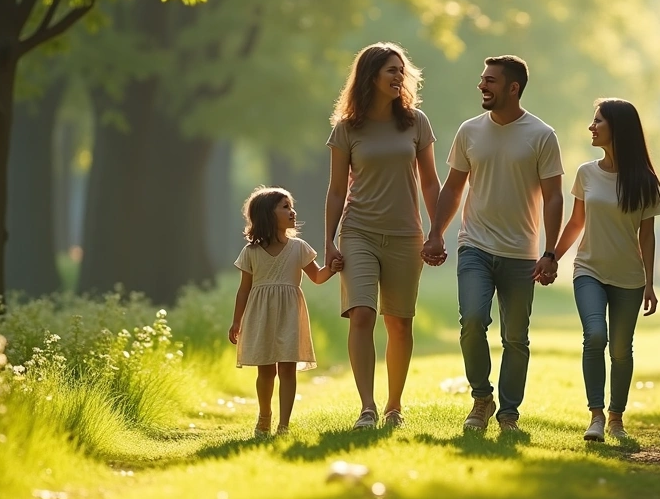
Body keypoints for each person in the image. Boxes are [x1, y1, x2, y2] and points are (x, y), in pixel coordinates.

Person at [422, 55, 564, 432]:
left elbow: (554, 197)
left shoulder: (541, 135)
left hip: (521, 252)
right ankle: (482, 398)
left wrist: (550, 252)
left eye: (491, 81)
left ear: (513, 88)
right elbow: (453, 187)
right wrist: (436, 232)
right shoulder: (469, 131)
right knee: (471, 321)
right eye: (482, 80)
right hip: (475, 245)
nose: (482, 86)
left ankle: (509, 413)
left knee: (515, 338)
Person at [324, 42, 442, 430]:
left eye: (401, 70)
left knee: (399, 322)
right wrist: (329, 241)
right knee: (361, 314)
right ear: (370, 76)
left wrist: (437, 231)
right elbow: (337, 190)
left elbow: (429, 182)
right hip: (358, 231)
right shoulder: (346, 129)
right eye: (391, 70)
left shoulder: (416, 123)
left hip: (406, 235)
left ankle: (394, 406)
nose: (399, 77)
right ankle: (367, 407)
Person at [552, 99, 660, 442]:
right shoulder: (586, 173)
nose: (592, 126)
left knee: (620, 348)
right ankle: (597, 416)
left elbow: (647, 235)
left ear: (617, 128)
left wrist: (649, 283)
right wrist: (551, 256)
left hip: (629, 277)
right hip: (589, 270)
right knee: (595, 336)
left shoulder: (645, 181)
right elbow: (576, 222)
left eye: (598, 121)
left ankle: (617, 417)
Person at [229, 186, 341, 438]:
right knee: (265, 370)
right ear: (267, 214)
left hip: (290, 313)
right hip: (260, 314)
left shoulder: (299, 247)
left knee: (288, 369)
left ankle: (284, 425)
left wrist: (333, 267)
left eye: (291, 206)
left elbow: (318, 277)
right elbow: (244, 290)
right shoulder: (251, 252)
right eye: (285, 207)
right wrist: (237, 321)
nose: (292, 212)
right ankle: (265, 416)